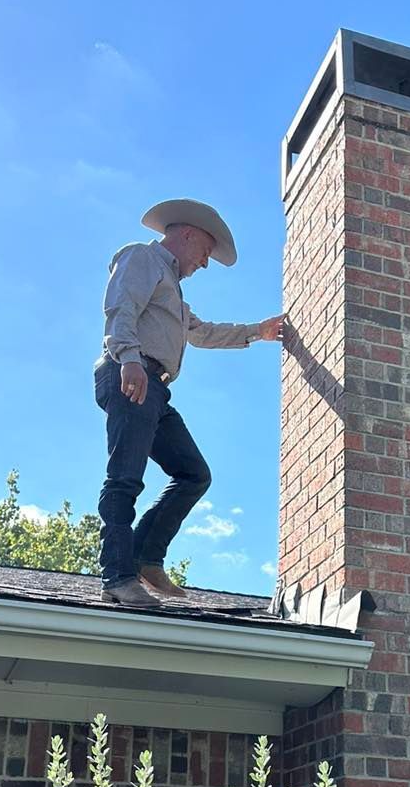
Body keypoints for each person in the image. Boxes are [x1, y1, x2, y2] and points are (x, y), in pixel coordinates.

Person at [93, 199, 284, 608]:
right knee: (125, 476)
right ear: (187, 234)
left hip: (154, 387)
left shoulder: (174, 294)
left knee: (194, 474)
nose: (204, 263)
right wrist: (127, 359)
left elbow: (201, 333)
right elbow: (120, 307)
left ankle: (145, 556)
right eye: (205, 253)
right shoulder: (141, 258)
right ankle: (118, 576)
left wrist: (258, 332)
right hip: (131, 372)